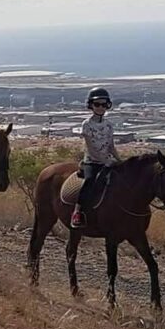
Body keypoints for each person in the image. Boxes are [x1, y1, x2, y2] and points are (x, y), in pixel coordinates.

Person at [71, 87, 120, 228]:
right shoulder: (86, 125)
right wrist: (105, 161)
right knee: (90, 180)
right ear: (91, 105)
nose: (100, 107)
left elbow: (111, 146)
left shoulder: (109, 125)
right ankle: (77, 212)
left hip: (109, 161)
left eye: (103, 104)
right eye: (97, 104)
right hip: (92, 162)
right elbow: (91, 147)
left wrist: (119, 160)